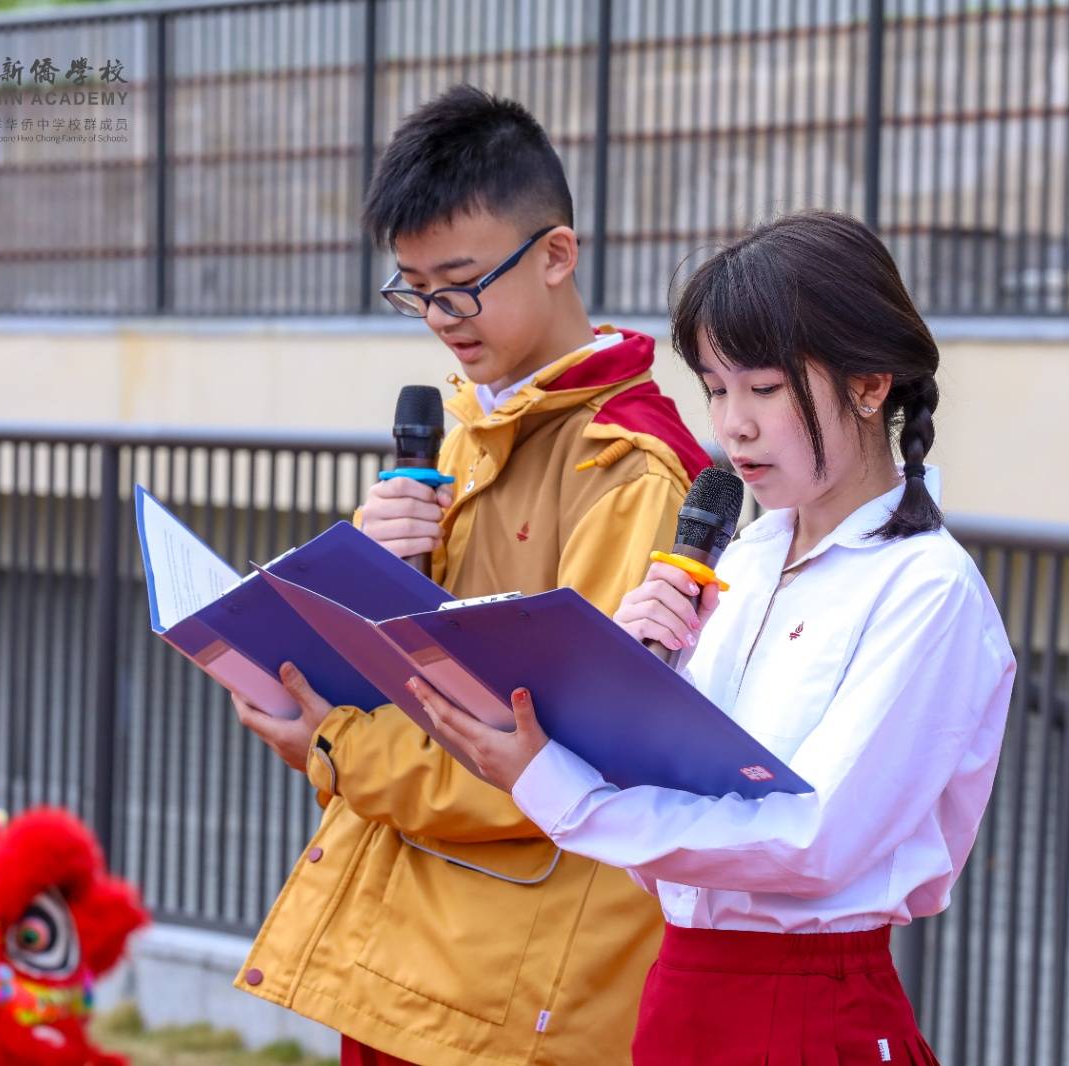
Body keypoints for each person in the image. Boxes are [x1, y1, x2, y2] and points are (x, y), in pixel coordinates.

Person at [410, 211, 1017, 1065]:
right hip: (680, 990)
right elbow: (671, 834)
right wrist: (621, 682)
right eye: (716, 388)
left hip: (808, 1008)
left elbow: (812, 839)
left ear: (871, 384)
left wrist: (564, 795)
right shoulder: (747, 554)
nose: (733, 425)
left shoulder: (927, 588)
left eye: (763, 389)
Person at [228, 85, 711, 1066]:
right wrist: (358, 584)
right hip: (417, 956)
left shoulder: (629, 471)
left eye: (458, 284)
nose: (438, 317)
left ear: (556, 254)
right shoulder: (461, 435)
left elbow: (559, 764)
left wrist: (332, 742)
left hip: (515, 996)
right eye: (412, 289)